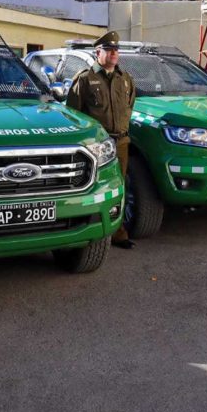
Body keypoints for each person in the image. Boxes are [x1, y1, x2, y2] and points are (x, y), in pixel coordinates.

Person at [67, 31, 137, 249]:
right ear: (98, 52)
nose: (114, 54)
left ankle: (118, 233)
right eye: (109, 50)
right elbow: (73, 114)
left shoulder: (125, 79)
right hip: (96, 147)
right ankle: (87, 232)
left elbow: (129, 107)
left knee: (119, 186)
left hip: (122, 143)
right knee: (95, 188)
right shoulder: (85, 79)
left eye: (116, 50)